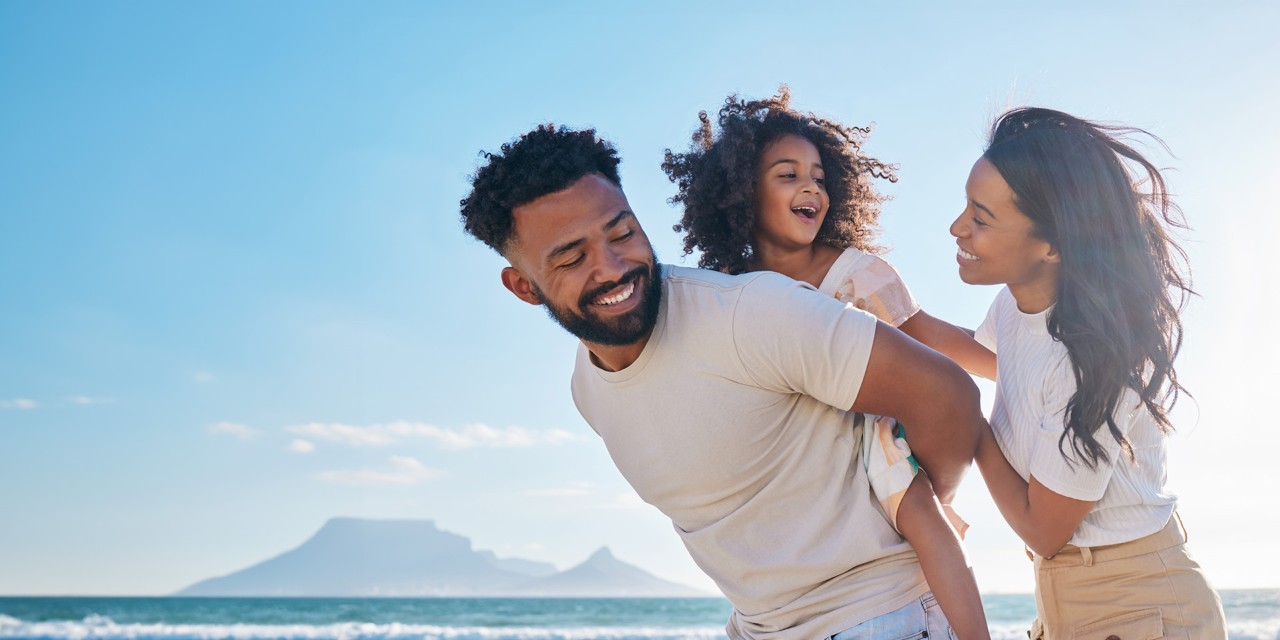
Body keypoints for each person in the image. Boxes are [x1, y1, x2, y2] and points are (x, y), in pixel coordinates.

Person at [460, 124, 985, 639]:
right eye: (573, 258)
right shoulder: (588, 390)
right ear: (524, 286)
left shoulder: (750, 314)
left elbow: (948, 395)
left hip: (880, 616)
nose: (613, 267)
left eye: (622, 233)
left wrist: (914, 504)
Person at [663, 88, 992, 639]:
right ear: (743, 192)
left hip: (869, 434)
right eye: (787, 175)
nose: (810, 186)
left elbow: (929, 336)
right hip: (796, 459)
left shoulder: (855, 274)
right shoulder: (736, 292)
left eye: (817, 176)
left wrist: (1016, 363)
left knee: (925, 523)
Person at [951, 107, 1228, 639]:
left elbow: (1043, 529)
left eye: (980, 218)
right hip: (1070, 600)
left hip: (1137, 604)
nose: (957, 227)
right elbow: (984, 356)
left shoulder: (1092, 362)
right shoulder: (1018, 308)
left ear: (1053, 245)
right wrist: (883, 305)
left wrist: (967, 424)